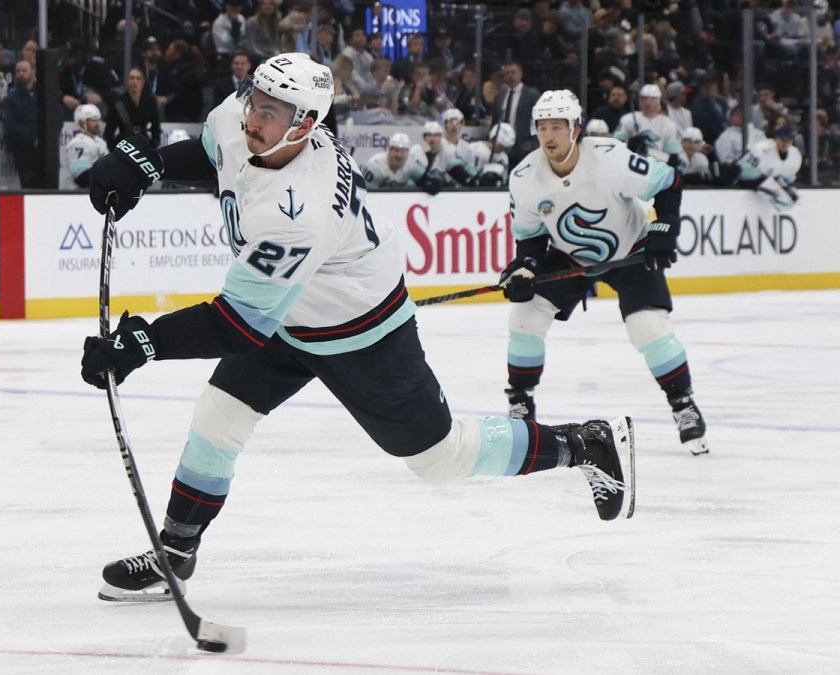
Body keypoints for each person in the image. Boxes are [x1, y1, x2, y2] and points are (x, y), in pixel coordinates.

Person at [79, 54, 636, 601]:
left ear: (306, 124)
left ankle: (583, 444)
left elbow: (237, 324)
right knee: (218, 418)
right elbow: (214, 151)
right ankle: (176, 552)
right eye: (256, 101)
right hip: (288, 312)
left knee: (441, 459)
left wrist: (142, 343)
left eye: (272, 112)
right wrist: (145, 164)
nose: (254, 117)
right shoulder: (243, 118)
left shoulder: (299, 210)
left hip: (361, 333)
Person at [500, 89, 708, 456]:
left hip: (629, 250)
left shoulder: (611, 159)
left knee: (649, 329)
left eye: (557, 127)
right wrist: (525, 266)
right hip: (570, 257)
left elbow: (670, 182)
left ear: (576, 129)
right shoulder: (524, 176)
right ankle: (520, 402)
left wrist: (664, 229)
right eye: (542, 127)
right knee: (524, 317)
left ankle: (683, 405)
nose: (549, 136)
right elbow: (530, 236)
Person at [736, 123, 803, 210]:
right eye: (783, 139)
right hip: (748, 181)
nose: (785, 143)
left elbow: (789, 178)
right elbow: (743, 172)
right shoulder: (761, 149)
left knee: (791, 195)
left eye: (789, 140)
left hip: (771, 181)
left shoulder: (795, 155)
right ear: (777, 139)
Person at [615, 84, 681, 165]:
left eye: (653, 99)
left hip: (658, 166)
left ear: (659, 100)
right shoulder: (628, 119)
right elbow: (616, 145)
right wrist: (631, 144)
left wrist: (651, 153)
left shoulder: (668, 124)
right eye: (644, 98)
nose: (648, 102)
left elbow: (672, 156)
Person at [492, 61, 541, 166]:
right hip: (503, 146)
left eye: (513, 72)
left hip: (524, 146)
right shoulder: (500, 95)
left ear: (520, 74)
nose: (510, 75)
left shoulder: (531, 95)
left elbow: (538, 120)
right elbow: (495, 119)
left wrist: (534, 143)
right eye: (507, 73)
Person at [2, 59, 39, 187]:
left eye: (24, 70)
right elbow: (10, 126)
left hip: (45, 149)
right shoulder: (11, 98)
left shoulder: (43, 94)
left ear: (33, 72)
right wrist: (32, 139)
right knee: (28, 183)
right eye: (18, 71)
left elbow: (56, 115)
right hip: (23, 150)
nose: (21, 74)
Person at [104, 67, 161, 147]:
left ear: (143, 81)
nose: (135, 81)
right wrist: (114, 149)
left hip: (144, 143)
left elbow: (156, 127)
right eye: (132, 78)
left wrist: (153, 145)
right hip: (123, 144)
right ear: (127, 81)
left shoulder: (150, 102)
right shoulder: (117, 102)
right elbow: (109, 130)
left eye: (138, 78)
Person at [63, 104, 108, 188]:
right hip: (79, 193)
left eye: (98, 119)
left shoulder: (100, 141)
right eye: (93, 120)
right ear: (81, 122)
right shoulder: (79, 143)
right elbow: (80, 176)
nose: (97, 123)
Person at [361, 132, 425, 188]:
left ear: (407, 153)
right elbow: (365, 193)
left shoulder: (413, 164)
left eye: (403, 151)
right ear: (390, 150)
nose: (399, 155)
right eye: (396, 150)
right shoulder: (375, 165)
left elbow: (424, 181)